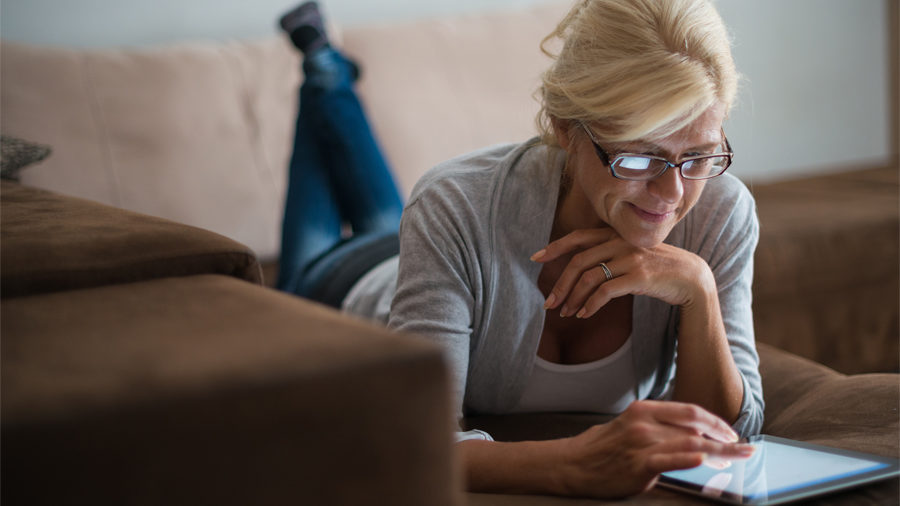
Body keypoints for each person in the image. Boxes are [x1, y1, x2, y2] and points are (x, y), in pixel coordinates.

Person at [278, 0, 763, 499]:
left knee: (381, 212)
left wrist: (698, 288)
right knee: (328, 241)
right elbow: (420, 441)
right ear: (566, 128)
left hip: (425, 244)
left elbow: (734, 433)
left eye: (699, 156)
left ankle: (325, 66)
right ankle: (324, 72)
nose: (673, 196)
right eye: (640, 158)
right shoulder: (453, 203)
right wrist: (573, 463)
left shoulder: (720, 212)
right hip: (347, 283)